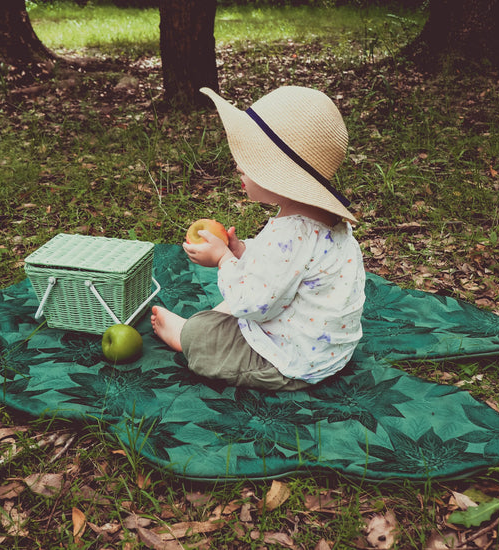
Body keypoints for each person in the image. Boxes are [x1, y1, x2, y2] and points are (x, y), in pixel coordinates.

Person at [151, 85, 366, 391]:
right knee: (228, 304)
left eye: (249, 159)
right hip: (329, 351)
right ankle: (208, 326)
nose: (237, 165)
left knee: (203, 330)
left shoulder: (290, 233)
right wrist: (242, 251)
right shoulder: (325, 225)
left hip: (291, 363)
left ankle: (186, 336)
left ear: (279, 175)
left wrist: (224, 260)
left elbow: (253, 304)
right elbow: (285, 265)